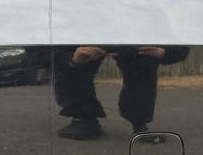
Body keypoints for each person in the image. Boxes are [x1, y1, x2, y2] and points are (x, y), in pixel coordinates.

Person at [53, 45, 189, 140]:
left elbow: (179, 38)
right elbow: (44, 53)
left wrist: (165, 52)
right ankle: (83, 117)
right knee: (76, 60)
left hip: (134, 35)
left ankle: (140, 122)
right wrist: (72, 60)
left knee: (145, 60)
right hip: (87, 33)